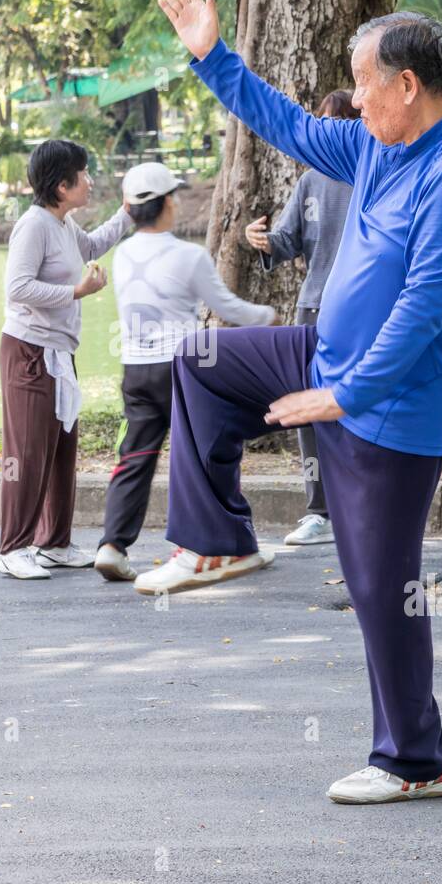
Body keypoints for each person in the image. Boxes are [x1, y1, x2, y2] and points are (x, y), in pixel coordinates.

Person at [139, 0, 442, 807]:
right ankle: (218, 537)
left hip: (394, 405)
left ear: (408, 85)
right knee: (200, 360)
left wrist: (346, 396)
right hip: (323, 358)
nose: (357, 97)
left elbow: (423, 309)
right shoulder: (373, 145)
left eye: (366, 82)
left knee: (382, 587)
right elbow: (289, 123)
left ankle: (415, 762)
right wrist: (209, 55)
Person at [95, 161, 277, 582]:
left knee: (136, 456)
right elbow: (228, 308)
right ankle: (196, 544)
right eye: (174, 197)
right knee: (197, 456)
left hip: (136, 369)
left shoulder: (122, 255)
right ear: (167, 205)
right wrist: (268, 317)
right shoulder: (188, 256)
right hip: (185, 369)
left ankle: (112, 544)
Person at [0, 138, 132, 580]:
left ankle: (54, 542)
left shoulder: (63, 224)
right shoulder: (34, 226)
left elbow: (90, 248)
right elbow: (17, 288)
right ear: (61, 186)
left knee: (60, 447)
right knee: (28, 450)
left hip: (59, 350)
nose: (90, 181)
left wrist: (127, 215)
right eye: (84, 174)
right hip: (29, 351)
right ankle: (13, 547)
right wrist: (76, 292)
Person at [245, 88, 355, 547]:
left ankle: (362, 507)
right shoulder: (310, 181)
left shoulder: (375, 177)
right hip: (313, 308)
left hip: (358, 313)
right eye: (319, 123)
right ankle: (319, 512)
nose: (324, 132)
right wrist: (262, 239)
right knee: (309, 409)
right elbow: (287, 240)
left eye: (334, 123)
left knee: (357, 404)